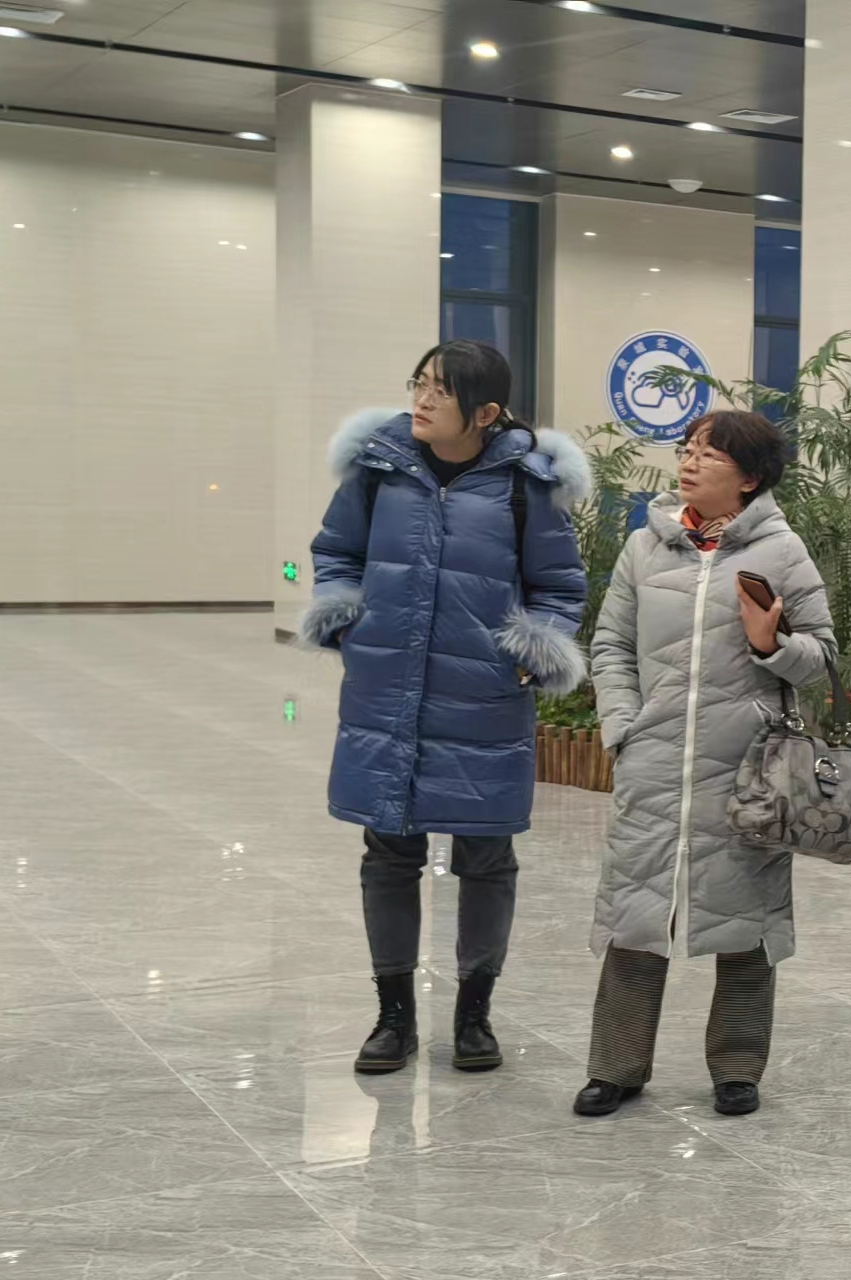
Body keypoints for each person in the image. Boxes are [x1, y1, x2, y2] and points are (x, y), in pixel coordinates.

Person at [300, 340, 590, 1075]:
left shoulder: (525, 485)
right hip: (386, 691)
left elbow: (560, 586)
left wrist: (533, 653)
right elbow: (336, 551)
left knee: (486, 857)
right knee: (388, 853)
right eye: (419, 383)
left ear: (485, 413)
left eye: (441, 389)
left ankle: (474, 1015)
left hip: (482, 696)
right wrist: (346, 619)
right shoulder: (379, 467)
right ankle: (392, 1015)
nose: (422, 400)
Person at [575, 410, 836, 1119]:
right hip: (653, 760)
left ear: (748, 478)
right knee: (636, 913)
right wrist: (622, 729)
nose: (689, 463)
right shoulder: (644, 546)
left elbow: (821, 657)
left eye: (708, 454)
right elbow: (611, 646)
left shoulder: (783, 552)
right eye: (687, 450)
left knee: (746, 924)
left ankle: (737, 1070)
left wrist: (771, 645)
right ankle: (615, 1068)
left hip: (749, 767)